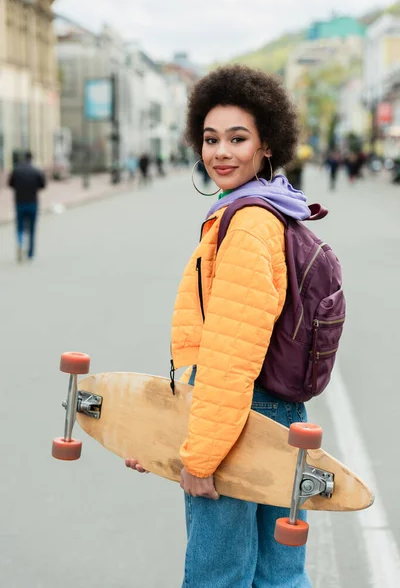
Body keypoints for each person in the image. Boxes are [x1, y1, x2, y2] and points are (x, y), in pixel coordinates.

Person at [126, 65, 316, 587]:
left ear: (267, 145)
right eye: (211, 139)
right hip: (275, 413)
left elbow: (230, 356)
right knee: (277, 575)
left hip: (238, 419)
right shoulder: (273, 210)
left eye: (238, 138)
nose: (220, 152)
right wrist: (162, 434)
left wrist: (201, 455)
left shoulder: (249, 223)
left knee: (218, 578)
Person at [8, 151, 46, 262]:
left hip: (19, 203)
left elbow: (10, 184)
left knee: (20, 226)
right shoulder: (36, 170)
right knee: (32, 228)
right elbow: (42, 185)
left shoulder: (16, 170)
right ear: (31, 158)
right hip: (32, 203)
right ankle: (30, 253)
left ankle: (20, 243)